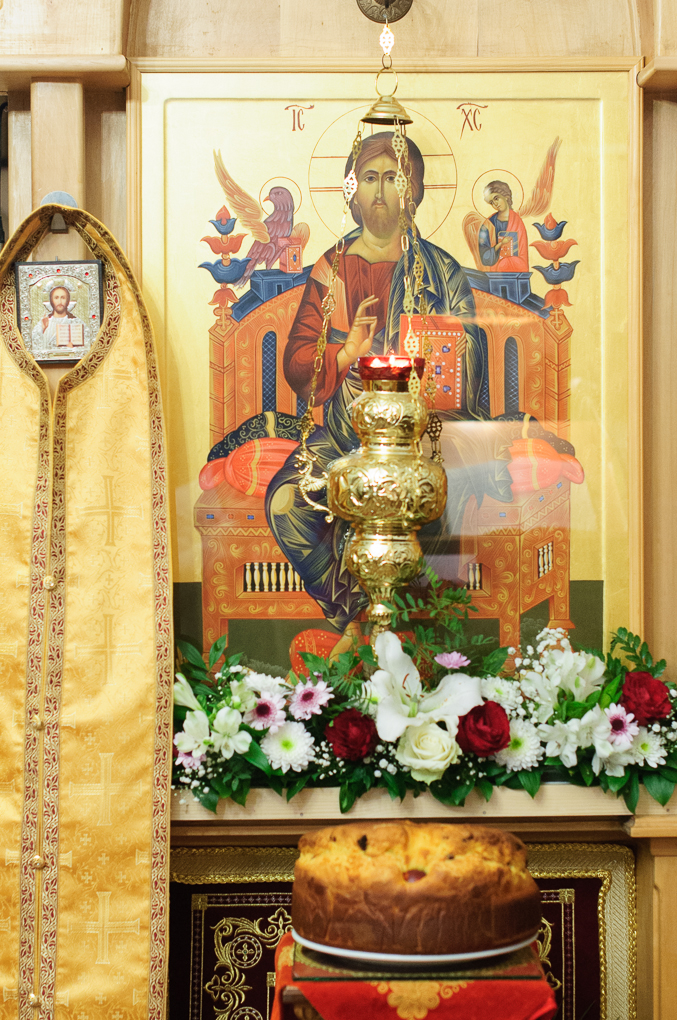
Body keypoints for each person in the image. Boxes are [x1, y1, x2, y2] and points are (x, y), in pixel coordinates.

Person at [265, 132, 495, 647]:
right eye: (370, 177)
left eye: (393, 177)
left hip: (422, 437)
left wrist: (444, 344)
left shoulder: (442, 272)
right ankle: (358, 616)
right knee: (285, 505)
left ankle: (415, 630)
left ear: (413, 189)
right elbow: (298, 362)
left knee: (434, 501)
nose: (381, 190)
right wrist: (346, 352)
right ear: (353, 189)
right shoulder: (332, 268)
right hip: (344, 435)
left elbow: (470, 356)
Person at [478, 181, 529, 272]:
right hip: (495, 272)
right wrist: (500, 244)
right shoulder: (488, 225)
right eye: (492, 202)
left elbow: (522, 253)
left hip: (515, 271)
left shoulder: (517, 222)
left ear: (505, 196)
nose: (495, 204)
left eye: (496, 198)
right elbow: (484, 257)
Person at [32, 283, 86, 349]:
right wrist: (43, 330)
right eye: (56, 298)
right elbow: (34, 347)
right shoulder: (43, 323)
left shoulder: (76, 322)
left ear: (68, 300)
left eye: (63, 298)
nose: (60, 302)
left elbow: (88, 345)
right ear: (51, 300)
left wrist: (72, 348)